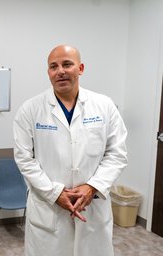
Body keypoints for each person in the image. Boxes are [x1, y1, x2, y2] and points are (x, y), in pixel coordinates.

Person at [13, 45, 127, 256]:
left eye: (67, 64)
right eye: (53, 66)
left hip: (92, 208)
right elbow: (24, 159)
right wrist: (54, 193)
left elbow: (116, 153)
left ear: (81, 68)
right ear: (48, 73)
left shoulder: (104, 106)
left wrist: (92, 187)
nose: (60, 71)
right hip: (49, 212)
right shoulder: (30, 110)